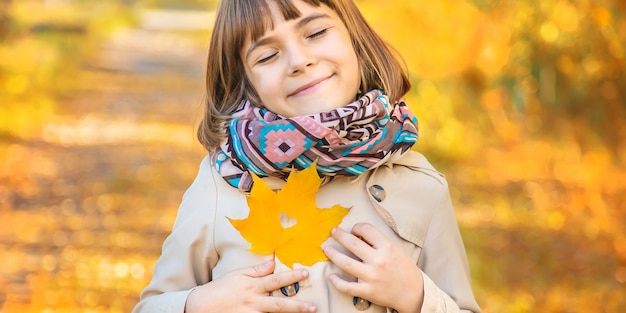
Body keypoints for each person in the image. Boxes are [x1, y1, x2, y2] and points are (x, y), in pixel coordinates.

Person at [133, 0, 482, 312]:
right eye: (267, 56)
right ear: (246, 83)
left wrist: (417, 296)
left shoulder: (421, 186)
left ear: (354, 39)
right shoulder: (222, 182)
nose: (299, 61)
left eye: (315, 32)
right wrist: (199, 305)